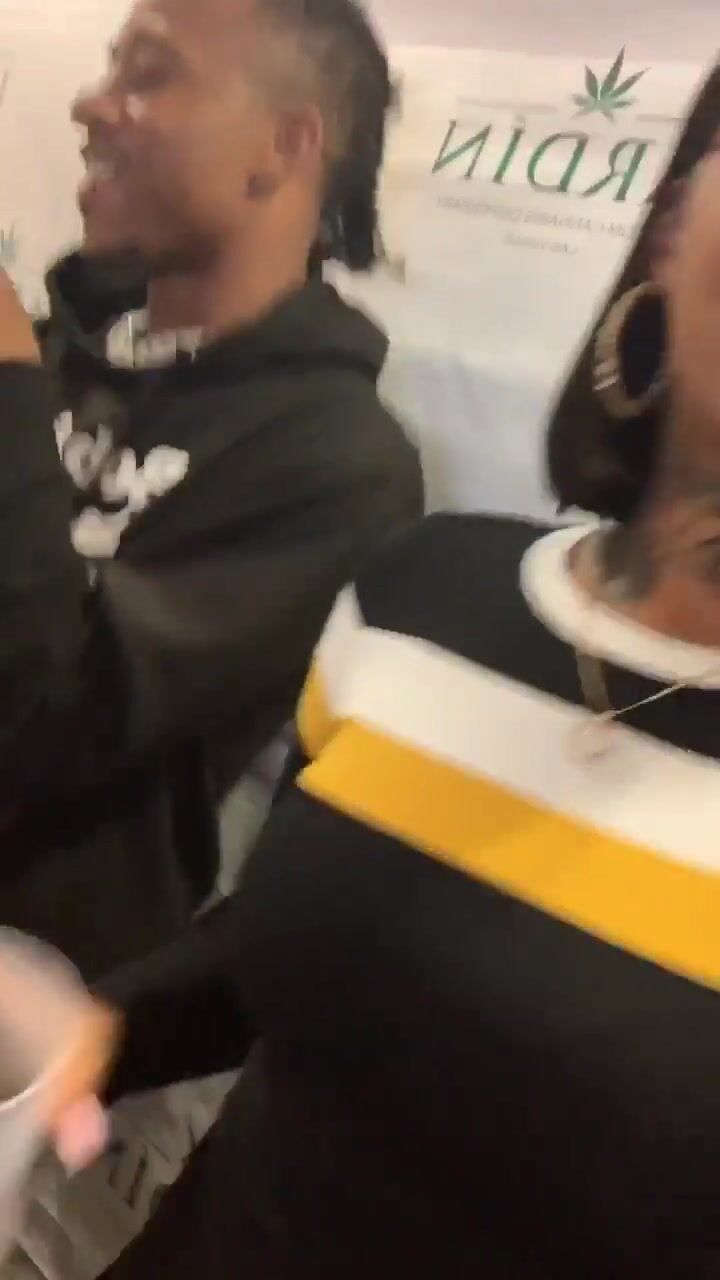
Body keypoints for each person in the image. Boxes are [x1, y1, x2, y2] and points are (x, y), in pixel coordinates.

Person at [44, 65, 720, 1279]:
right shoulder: (427, 593)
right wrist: (92, 1033)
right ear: (674, 222)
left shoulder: (335, 458)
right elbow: (299, 946)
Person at [0, 0, 422, 976]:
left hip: (40, 1004)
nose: (90, 105)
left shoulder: (339, 465)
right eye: (110, 68)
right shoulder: (58, 354)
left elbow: (44, 726)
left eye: (148, 75)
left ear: (284, 145)